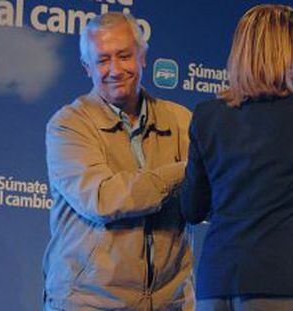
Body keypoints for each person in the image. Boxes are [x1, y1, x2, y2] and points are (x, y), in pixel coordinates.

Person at [181, 4, 293, 311]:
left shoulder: (207, 115)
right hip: (281, 283)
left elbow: (192, 208)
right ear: (283, 53)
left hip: (215, 285)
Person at [43, 12, 194, 311]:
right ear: (87, 68)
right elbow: (103, 199)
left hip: (170, 302)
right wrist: (185, 172)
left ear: (143, 58)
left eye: (124, 56)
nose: (115, 69)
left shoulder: (181, 121)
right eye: (102, 60)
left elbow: (206, 199)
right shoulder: (68, 125)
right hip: (89, 302)